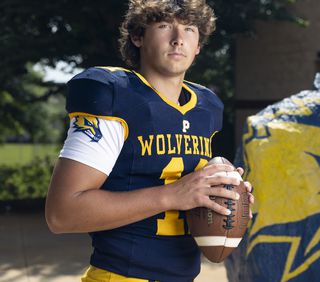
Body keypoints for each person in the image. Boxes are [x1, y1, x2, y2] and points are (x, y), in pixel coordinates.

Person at [45, 0, 254, 281]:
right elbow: (62, 213)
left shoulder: (207, 107)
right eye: (164, 26)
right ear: (137, 37)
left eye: (190, 29)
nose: (179, 39)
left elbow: (191, 194)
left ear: (199, 46)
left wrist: (224, 199)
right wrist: (172, 195)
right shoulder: (114, 94)